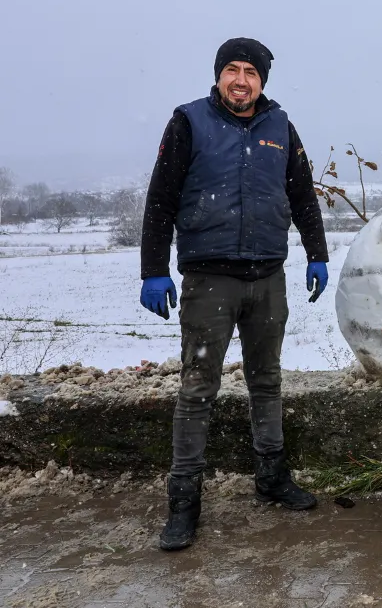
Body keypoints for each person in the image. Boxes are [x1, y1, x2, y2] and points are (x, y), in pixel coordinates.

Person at [139, 37, 330, 551]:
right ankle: (184, 502)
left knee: (266, 381)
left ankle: (271, 478)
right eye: (232, 70)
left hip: (268, 278)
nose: (241, 80)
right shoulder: (189, 122)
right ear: (219, 76)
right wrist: (153, 269)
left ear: (262, 81)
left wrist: (317, 252)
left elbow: (301, 193)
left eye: (250, 72)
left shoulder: (279, 128)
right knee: (198, 389)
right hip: (210, 280)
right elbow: (161, 197)